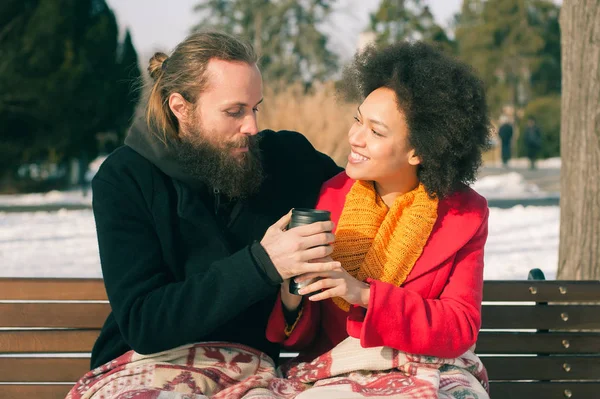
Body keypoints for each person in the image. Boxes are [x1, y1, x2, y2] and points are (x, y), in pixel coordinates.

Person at [66, 31, 342, 399]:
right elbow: (144, 323)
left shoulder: (285, 158)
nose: (251, 127)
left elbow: (377, 186)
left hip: (250, 372)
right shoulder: (125, 178)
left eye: (254, 107)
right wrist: (263, 264)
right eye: (234, 111)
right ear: (181, 107)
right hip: (142, 368)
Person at [266, 42, 491, 398]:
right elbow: (306, 335)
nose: (355, 138)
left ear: (419, 150)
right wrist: (291, 294)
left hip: (426, 368)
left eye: (376, 131)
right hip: (335, 373)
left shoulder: (464, 214)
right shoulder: (329, 196)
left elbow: (459, 327)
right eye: (358, 120)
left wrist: (366, 295)